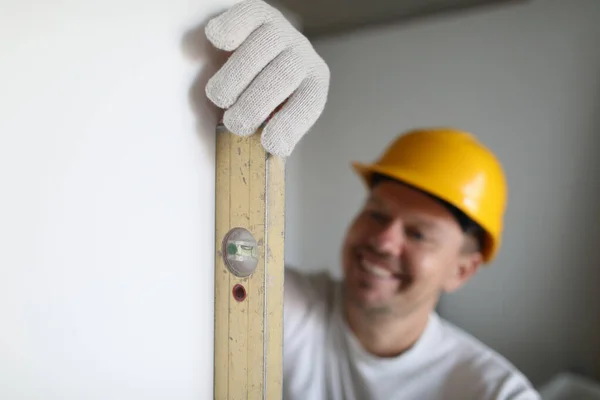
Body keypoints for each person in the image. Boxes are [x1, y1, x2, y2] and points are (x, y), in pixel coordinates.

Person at [204, 1, 541, 398]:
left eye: (417, 234)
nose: (383, 241)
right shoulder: (289, 307)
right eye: (378, 215)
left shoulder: (494, 391)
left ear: (461, 271)